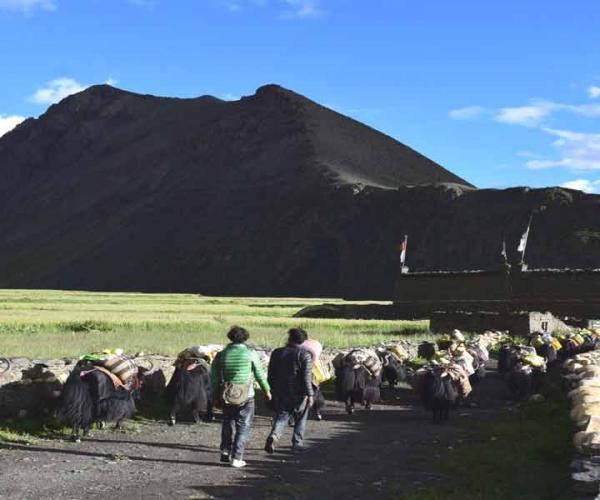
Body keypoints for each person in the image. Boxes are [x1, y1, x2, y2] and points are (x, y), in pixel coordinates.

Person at [210, 326, 271, 468]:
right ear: (245, 338)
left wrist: (214, 395)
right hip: (246, 395)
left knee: (227, 423)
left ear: (230, 337)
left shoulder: (222, 354)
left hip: (226, 394)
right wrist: (267, 390)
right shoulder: (250, 353)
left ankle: (225, 450)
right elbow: (259, 374)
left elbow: (214, 377)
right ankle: (237, 457)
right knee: (243, 426)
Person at [264, 328, 314, 454]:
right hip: (298, 392)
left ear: (289, 338)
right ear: (303, 340)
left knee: (283, 414)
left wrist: (270, 389)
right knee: (301, 417)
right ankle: (297, 443)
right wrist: (310, 394)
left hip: (280, 389)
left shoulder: (277, 352)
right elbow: (306, 377)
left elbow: (270, 373)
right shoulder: (305, 355)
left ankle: (274, 435)